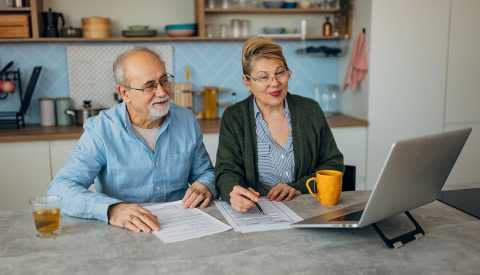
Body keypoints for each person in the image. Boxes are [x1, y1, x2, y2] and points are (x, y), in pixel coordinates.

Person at [48, 47, 216, 232]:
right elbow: (60, 190)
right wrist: (112, 210)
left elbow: (206, 172)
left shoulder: (187, 120)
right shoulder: (101, 130)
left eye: (164, 80)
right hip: (125, 233)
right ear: (124, 93)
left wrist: (204, 185)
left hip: (179, 227)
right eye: (149, 85)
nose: (162, 92)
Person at [215, 37, 344, 212]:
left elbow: (333, 163)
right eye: (263, 77)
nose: (274, 83)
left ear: (288, 74)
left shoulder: (310, 110)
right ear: (247, 82)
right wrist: (233, 192)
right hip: (256, 214)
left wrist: (298, 187)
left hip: (307, 210)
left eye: (280, 73)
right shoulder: (234, 117)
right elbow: (226, 171)